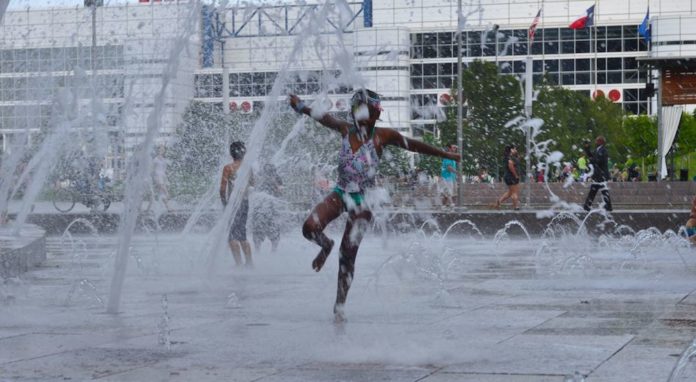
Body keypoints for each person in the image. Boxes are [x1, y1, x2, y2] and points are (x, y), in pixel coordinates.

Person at [288, 89, 459, 322]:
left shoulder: (383, 136)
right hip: (341, 192)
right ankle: (325, 245)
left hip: (364, 201)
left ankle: (339, 307)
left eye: (371, 111)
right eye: (363, 109)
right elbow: (321, 116)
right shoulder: (345, 129)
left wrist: (445, 155)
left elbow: (414, 145)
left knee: (347, 256)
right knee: (309, 227)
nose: (367, 115)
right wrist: (300, 107)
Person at [220, 141, 254, 268]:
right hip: (245, 203)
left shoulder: (228, 168)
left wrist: (225, 204)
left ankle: (239, 264)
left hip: (233, 204)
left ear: (231, 153)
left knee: (232, 236)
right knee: (242, 234)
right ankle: (250, 263)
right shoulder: (248, 168)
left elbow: (222, 189)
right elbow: (252, 185)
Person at [252, 163, 283, 253]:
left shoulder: (277, 178)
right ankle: (261, 250)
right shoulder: (260, 178)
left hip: (267, 208)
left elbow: (280, 192)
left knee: (270, 229)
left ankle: (271, 250)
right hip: (263, 208)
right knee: (264, 229)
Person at [583, 135, 613, 212]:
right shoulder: (597, 149)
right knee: (597, 190)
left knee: (599, 190)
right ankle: (588, 205)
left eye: (597, 141)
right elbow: (592, 156)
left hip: (601, 174)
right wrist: (587, 149)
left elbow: (599, 161)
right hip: (598, 174)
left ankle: (588, 205)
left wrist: (592, 160)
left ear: (601, 142)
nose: (595, 142)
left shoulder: (603, 150)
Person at [494, 145, 520, 210]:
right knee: (514, 192)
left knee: (510, 192)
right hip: (511, 176)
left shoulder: (507, 157)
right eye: (515, 149)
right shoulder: (509, 158)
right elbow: (511, 166)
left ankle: (499, 202)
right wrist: (515, 175)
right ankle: (516, 207)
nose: (516, 150)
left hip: (508, 176)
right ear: (511, 150)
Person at [147, 145, 170, 212]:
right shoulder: (155, 160)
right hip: (157, 176)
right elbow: (151, 169)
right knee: (163, 190)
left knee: (159, 194)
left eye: (163, 149)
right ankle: (168, 196)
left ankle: (148, 209)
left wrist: (166, 176)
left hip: (162, 176)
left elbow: (164, 169)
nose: (162, 151)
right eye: (160, 149)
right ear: (158, 150)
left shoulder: (163, 159)